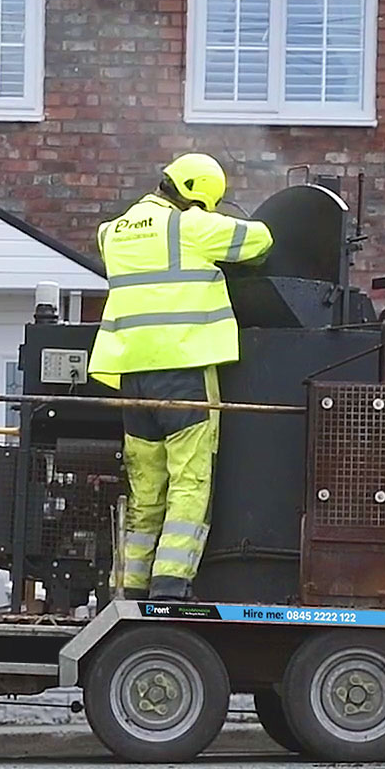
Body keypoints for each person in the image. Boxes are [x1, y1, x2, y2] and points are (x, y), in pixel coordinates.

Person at [88, 153, 271, 600]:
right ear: (198, 195)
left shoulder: (111, 233)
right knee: (190, 482)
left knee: (146, 490)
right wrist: (215, 217)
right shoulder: (190, 226)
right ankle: (170, 585)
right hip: (184, 373)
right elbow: (260, 240)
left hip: (132, 379)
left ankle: (130, 587)